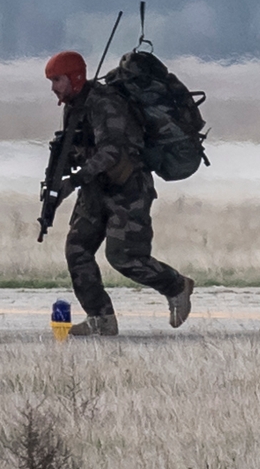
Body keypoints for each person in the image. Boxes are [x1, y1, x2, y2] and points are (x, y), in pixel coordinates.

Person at [47, 49, 193, 336]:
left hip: (127, 190)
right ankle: (100, 318)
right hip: (95, 191)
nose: (54, 87)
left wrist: (76, 179)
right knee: (77, 250)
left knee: (124, 257)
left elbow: (112, 151)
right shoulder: (74, 106)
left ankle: (176, 285)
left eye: (58, 80)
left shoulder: (105, 103)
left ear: (75, 77)